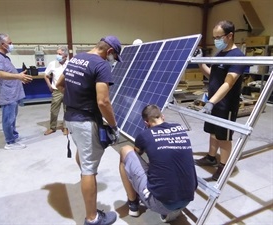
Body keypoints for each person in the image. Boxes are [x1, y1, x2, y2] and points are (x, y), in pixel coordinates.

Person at [56, 36, 122, 225]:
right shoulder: (101, 66)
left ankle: (88, 188)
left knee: (84, 157)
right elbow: (103, 101)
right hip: (85, 121)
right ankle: (92, 219)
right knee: (89, 169)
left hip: (70, 118)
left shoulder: (76, 58)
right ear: (109, 52)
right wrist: (113, 125)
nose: (113, 61)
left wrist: (75, 99)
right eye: (114, 57)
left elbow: (59, 84)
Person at [119, 104, 197, 223]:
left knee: (125, 151)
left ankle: (133, 204)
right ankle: (170, 210)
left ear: (146, 123)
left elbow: (137, 153)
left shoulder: (144, 135)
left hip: (161, 203)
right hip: (187, 199)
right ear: (163, 117)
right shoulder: (180, 128)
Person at [194, 20, 246, 181]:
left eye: (218, 37)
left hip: (225, 105)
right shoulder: (220, 54)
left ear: (230, 35)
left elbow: (228, 83)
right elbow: (214, 76)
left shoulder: (238, 57)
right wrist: (201, 63)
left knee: (224, 136)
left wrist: (212, 102)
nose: (216, 40)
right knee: (213, 132)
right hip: (215, 102)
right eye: (214, 37)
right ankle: (211, 157)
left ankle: (223, 167)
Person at [0, 33, 33, 150]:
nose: (11, 45)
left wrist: (19, 79)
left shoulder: (3, 57)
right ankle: (10, 142)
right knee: (8, 118)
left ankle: (13, 136)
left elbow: (9, 73)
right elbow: (0, 73)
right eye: (10, 43)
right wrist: (18, 77)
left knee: (12, 118)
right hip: (7, 94)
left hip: (12, 93)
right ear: (2, 44)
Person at [44, 46, 69, 136]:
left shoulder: (70, 64)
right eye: (57, 53)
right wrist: (49, 85)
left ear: (65, 56)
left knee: (67, 110)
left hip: (67, 91)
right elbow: (46, 75)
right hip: (57, 91)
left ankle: (66, 127)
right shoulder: (52, 64)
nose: (57, 56)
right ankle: (52, 127)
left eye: (60, 54)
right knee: (54, 111)